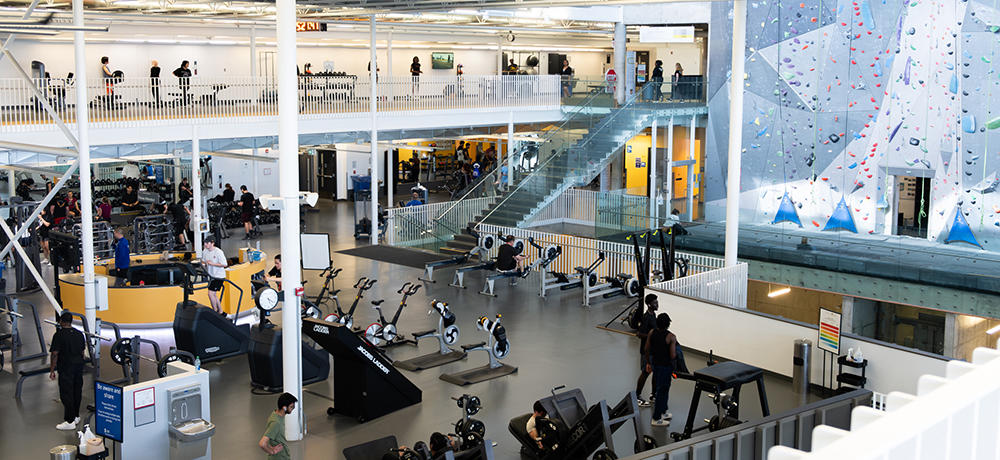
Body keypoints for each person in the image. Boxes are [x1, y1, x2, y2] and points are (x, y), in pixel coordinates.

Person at [49, 311, 86, 431]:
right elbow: (82, 352)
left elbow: (54, 354)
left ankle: (69, 421)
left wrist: (52, 370)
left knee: (66, 392)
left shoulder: (59, 335)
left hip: (66, 366)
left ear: (61, 321)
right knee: (77, 389)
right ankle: (76, 416)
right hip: (79, 364)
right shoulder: (79, 334)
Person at [644, 312, 677, 426]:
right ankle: (656, 418)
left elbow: (646, 349)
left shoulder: (652, 332)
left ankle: (663, 411)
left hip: (656, 365)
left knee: (663, 388)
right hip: (665, 367)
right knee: (662, 391)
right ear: (668, 324)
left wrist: (648, 363)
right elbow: (672, 356)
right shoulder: (671, 337)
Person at [635, 294, 659, 407]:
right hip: (646, 350)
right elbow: (640, 334)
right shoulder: (646, 317)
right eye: (655, 303)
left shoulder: (654, 315)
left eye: (657, 302)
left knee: (655, 372)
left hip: (654, 350)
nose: (657, 304)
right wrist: (651, 336)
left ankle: (654, 395)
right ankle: (637, 396)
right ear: (649, 304)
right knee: (645, 372)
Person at [259, 392, 297, 460]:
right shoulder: (276, 423)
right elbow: (262, 444)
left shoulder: (276, 413)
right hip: (280, 457)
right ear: (284, 408)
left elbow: (269, 420)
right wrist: (272, 451)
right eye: (291, 407)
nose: (293, 408)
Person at [202, 235, 228, 314]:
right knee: (213, 295)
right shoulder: (205, 251)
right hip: (211, 276)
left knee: (210, 294)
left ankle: (214, 311)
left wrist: (213, 264)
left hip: (219, 276)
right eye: (205, 243)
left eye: (207, 243)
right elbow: (204, 261)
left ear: (212, 243)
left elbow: (224, 264)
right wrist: (203, 264)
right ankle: (220, 311)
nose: (205, 244)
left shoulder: (218, 252)